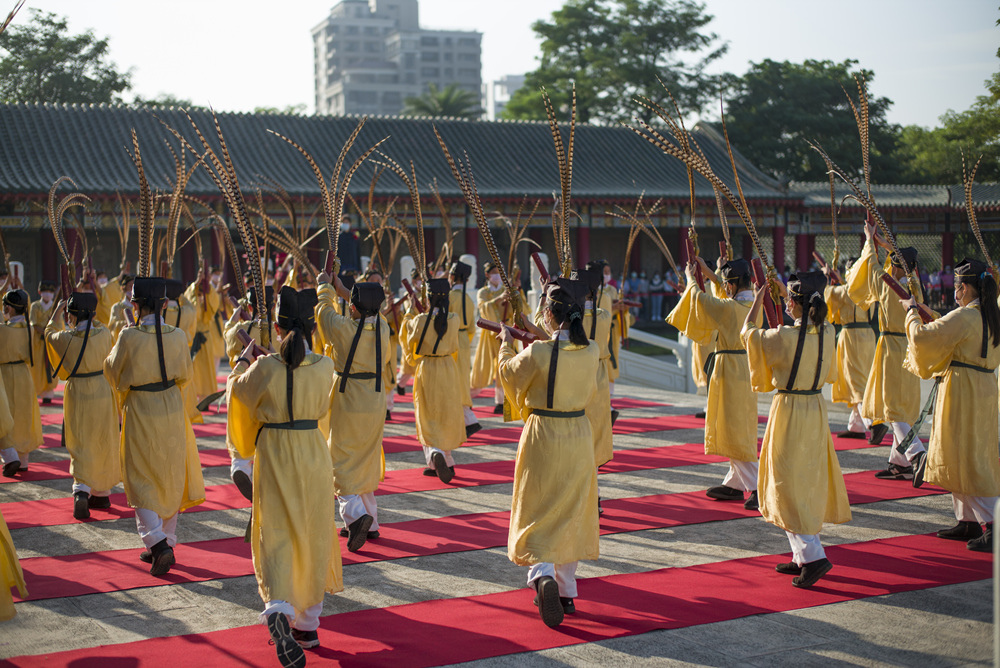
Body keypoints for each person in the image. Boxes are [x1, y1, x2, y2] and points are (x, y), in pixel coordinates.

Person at [228, 286, 341, 662]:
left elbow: (239, 394)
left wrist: (244, 361)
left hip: (274, 454)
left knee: (275, 531)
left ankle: (278, 606)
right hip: (312, 453)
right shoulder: (325, 366)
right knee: (313, 531)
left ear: (277, 328)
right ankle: (307, 626)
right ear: (312, 328)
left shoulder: (265, 367)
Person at [498, 278, 600, 628]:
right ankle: (566, 588)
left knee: (537, 506)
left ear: (550, 315)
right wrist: (536, 334)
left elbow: (510, 375)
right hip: (578, 436)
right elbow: (559, 352)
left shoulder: (538, 352)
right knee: (571, 509)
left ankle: (542, 574)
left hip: (542, 434)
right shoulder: (592, 350)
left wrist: (505, 344)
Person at [742, 272, 851, 587]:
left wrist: (758, 300)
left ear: (795, 302)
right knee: (805, 480)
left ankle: (814, 557)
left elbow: (748, 334)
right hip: (814, 409)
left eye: (789, 298)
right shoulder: (828, 332)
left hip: (789, 412)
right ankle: (800, 555)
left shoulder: (784, 338)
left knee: (786, 484)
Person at [104, 277, 205, 576]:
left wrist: (123, 339)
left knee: (140, 476)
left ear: (135, 306)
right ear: (163, 305)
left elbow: (112, 371)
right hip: (171, 405)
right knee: (169, 471)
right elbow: (185, 375)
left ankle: (158, 543)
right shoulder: (176, 336)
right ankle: (165, 541)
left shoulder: (129, 335)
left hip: (141, 407)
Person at [903, 259, 1000, 552]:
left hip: (962, 391)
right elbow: (948, 326)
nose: (956, 292)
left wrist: (910, 314)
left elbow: (924, 337)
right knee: (966, 453)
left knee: (966, 457)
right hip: (981, 389)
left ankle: (993, 523)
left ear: (971, 288)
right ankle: (967, 519)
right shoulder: (989, 315)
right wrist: (927, 312)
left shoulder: (966, 317)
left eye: (960, 287)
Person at [667, 256, 761, 509]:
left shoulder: (728, 308)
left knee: (735, 428)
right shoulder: (753, 304)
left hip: (731, 370)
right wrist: (710, 273)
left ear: (731, 285)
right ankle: (734, 484)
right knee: (736, 425)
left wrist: (690, 279)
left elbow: (699, 300)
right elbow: (723, 292)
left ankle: (757, 486)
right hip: (742, 368)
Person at [845, 221, 927, 479]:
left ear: (897, 265)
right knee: (902, 405)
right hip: (909, 345)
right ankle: (899, 462)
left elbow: (870, 266)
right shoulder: (915, 286)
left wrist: (869, 241)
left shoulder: (887, 283)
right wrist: (884, 244)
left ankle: (916, 454)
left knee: (892, 407)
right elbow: (896, 265)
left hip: (891, 347)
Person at [316, 275, 390, 553]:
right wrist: (345, 291)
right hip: (374, 396)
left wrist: (325, 286)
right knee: (365, 457)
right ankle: (371, 523)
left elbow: (323, 312)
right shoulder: (382, 326)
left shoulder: (343, 328)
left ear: (355, 308)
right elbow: (365, 311)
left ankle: (356, 517)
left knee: (340, 461)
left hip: (349, 396)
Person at [45, 293, 121, 520]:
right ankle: (102, 492)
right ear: (93, 314)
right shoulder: (104, 334)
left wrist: (57, 312)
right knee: (102, 439)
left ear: (71, 315)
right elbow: (97, 325)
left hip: (77, 391)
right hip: (101, 388)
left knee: (81, 442)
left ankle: (81, 491)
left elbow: (48, 333)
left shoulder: (65, 337)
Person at [403, 278, 466, 482]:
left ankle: (434, 453)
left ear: (428, 298)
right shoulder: (454, 319)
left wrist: (409, 311)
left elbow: (409, 340)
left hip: (428, 368)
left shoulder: (420, 320)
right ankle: (447, 460)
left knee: (428, 414)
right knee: (446, 413)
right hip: (448, 368)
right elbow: (455, 346)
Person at [222, 285, 277, 501]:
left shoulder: (242, 328)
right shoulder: (280, 330)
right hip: (273, 389)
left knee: (243, 433)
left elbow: (229, 339)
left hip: (248, 385)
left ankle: (241, 466)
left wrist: (234, 317)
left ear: (250, 305)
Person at [823, 259, 876, 438]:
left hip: (851, 337)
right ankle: (856, 426)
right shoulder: (868, 288)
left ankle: (872, 423)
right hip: (868, 334)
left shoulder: (846, 290)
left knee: (855, 381)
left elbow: (829, 296)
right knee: (863, 378)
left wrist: (828, 278)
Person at [0, 289, 43, 476]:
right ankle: (23, 460)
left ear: (8, 308)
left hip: (5, 374)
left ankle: (10, 456)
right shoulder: (30, 328)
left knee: (6, 416)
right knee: (24, 416)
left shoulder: (3, 329)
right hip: (24, 374)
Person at [449, 260, 482, 437]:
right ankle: (466, 420)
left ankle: (469, 420)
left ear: (452, 277)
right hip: (462, 339)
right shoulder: (468, 300)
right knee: (461, 378)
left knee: (454, 381)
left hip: (451, 340)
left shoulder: (449, 297)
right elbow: (471, 328)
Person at [471, 262, 509, 413]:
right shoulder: (483, 292)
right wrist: (499, 299)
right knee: (484, 365)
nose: (497, 275)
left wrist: (514, 296)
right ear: (487, 275)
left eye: (499, 272)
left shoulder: (507, 290)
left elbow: (519, 308)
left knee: (504, 366)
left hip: (507, 332)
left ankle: (501, 401)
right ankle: (467, 396)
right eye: (493, 272)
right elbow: (484, 308)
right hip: (490, 333)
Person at [29, 279, 59, 403]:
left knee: (51, 366)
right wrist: (43, 331)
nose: (47, 294)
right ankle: (38, 390)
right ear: (39, 291)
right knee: (38, 366)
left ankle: (48, 393)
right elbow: (33, 323)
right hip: (38, 342)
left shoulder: (55, 307)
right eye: (45, 291)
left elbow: (59, 324)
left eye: (50, 291)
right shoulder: (35, 306)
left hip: (50, 341)